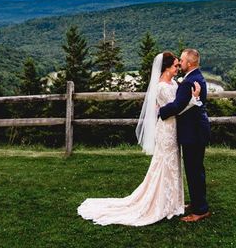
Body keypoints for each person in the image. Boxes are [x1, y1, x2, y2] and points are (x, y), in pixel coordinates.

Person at [77, 51, 201, 226]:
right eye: (175, 65)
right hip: (167, 129)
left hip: (174, 128)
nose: (178, 67)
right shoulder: (161, 87)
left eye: (178, 64)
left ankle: (173, 202)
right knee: (165, 163)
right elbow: (176, 107)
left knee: (173, 164)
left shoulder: (172, 82)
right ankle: (161, 203)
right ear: (166, 68)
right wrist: (193, 99)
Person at [158, 48, 211, 222]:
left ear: (189, 63)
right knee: (195, 169)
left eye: (181, 60)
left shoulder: (190, 82)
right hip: (196, 130)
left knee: (194, 170)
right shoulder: (195, 77)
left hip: (193, 133)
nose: (180, 63)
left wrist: (160, 112)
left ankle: (200, 210)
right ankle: (197, 204)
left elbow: (178, 106)